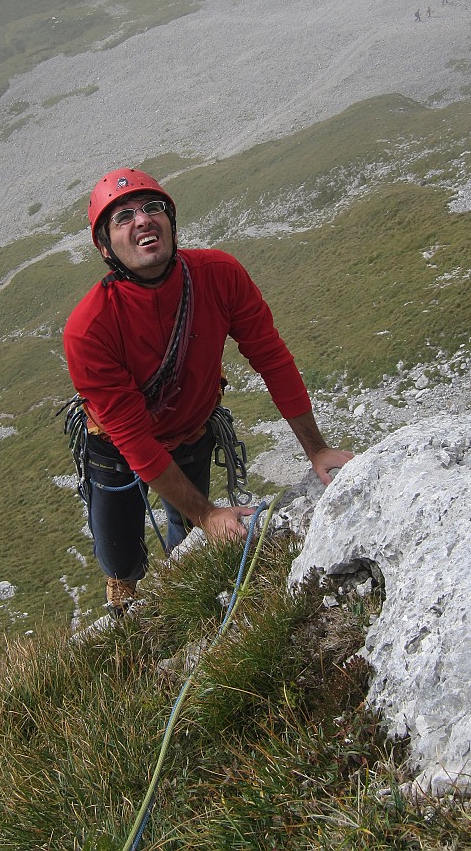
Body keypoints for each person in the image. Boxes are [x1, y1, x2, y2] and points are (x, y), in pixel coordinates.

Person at [63, 168, 353, 614]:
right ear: (104, 246)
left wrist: (317, 449)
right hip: (115, 449)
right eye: (122, 216)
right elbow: (135, 439)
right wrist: (208, 513)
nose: (142, 220)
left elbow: (270, 356)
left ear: (171, 224)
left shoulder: (219, 274)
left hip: (190, 430)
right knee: (120, 556)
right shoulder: (90, 328)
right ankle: (124, 608)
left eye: (152, 208)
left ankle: (194, 589)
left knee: (191, 530)